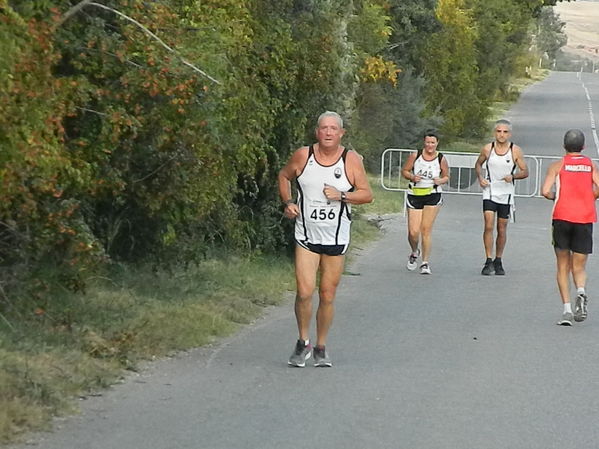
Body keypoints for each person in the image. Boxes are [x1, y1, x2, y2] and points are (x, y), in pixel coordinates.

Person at [278, 111, 373, 367]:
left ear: (341, 133)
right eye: (324, 128)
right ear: (317, 132)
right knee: (304, 292)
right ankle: (302, 341)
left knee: (327, 294)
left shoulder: (350, 160)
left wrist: (342, 196)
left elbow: (366, 194)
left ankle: (320, 346)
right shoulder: (303, 156)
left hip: (336, 237)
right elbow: (284, 176)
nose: (328, 132)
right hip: (306, 234)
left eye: (333, 128)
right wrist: (288, 202)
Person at [541, 129, 599, 326]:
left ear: (564, 146)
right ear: (583, 147)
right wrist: (590, 198)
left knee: (562, 265)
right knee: (579, 266)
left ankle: (566, 310)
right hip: (584, 218)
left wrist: (557, 197)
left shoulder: (558, 166)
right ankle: (581, 291)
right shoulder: (590, 165)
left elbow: (545, 191)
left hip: (562, 217)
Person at [474, 119, 528, 275]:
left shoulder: (515, 151)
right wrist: (480, 177)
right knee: (488, 225)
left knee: (502, 228)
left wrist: (514, 176)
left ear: (509, 134)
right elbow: (478, 164)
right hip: (490, 191)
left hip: (506, 194)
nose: (502, 135)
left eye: (505, 132)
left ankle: (499, 260)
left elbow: (525, 171)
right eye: (499, 131)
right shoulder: (487, 149)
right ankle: (488, 260)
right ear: (494, 133)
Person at [401, 130, 450, 274]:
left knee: (426, 230)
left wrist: (440, 180)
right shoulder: (415, 155)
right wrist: (411, 177)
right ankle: (415, 251)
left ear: (437, 143)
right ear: (424, 142)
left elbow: (446, 176)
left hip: (432, 194)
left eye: (433, 143)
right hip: (415, 194)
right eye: (428, 142)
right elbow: (404, 171)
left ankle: (425, 263)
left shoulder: (441, 158)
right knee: (413, 232)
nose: (430, 145)